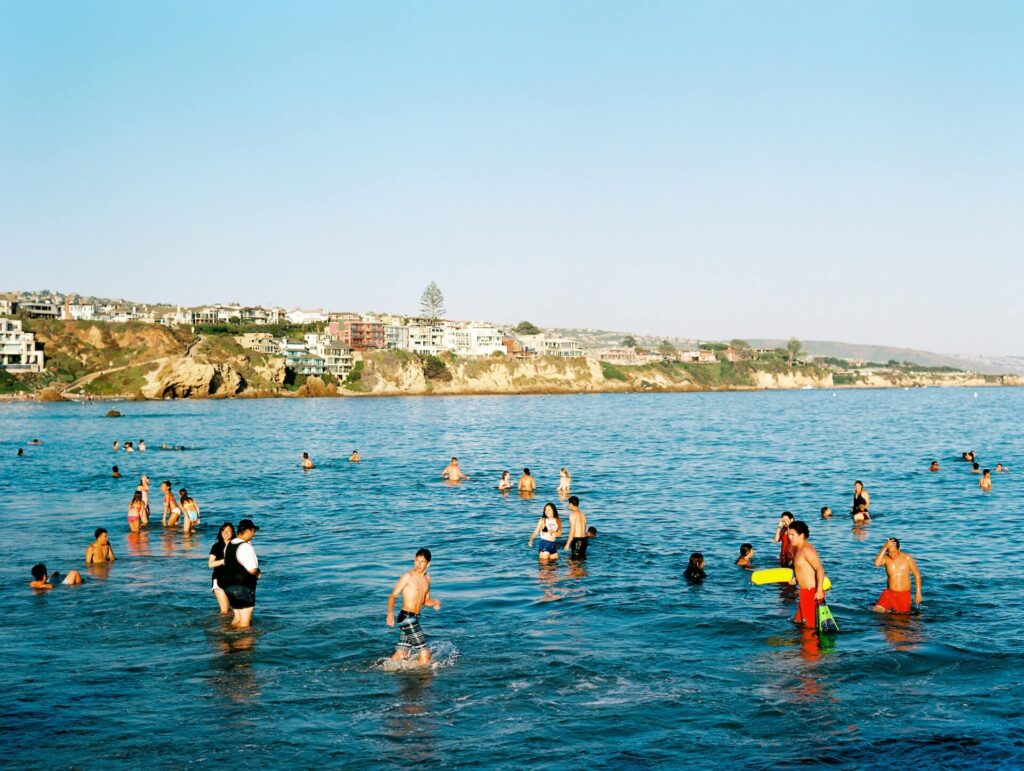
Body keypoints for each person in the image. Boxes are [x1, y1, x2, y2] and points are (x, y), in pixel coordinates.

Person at [386, 548, 441, 666]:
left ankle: (383, 670)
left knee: (402, 653)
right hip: (406, 617)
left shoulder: (427, 578)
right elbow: (393, 596)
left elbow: (425, 601)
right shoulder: (408, 576)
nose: (418, 564)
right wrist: (390, 614)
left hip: (415, 617)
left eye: (422, 561)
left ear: (428, 564)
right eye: (416, 560)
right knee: (424, 654)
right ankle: (423, 681)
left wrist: (435, 602)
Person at [220, 519, 261, 628]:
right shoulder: (245, 547)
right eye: (253, 531)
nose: (253, 534)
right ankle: (243, 644)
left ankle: (227, 640)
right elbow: (252, 569)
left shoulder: (229, 545)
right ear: (248, 531)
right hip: (242, 587)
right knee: (245, 623)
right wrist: (258, 572)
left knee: (237, 617)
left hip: (228, 586)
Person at [787, 520, 825, 627]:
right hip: (804, 592)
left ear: (801, 535)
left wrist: (819, 591)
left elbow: (820, 569)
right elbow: (804, 569)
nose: (789, 537)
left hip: (811, 593)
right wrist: (796, 579)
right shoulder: (798, 549)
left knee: (809, 627)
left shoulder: (806, 550)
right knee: (799, 623)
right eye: (789, 534)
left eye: (792, 535)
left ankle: (811, 643)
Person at [872, 538, 922, 613]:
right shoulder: (886, 558)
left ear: (899, 549)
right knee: (876, 611)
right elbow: (877, 563)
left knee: (901, 620)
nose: (892, 554)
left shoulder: (907, 558)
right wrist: (884, 547)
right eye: (890, 552)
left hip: (903, 595)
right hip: (889, 593)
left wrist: (918, 593)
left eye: (894, 551)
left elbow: (917, 575)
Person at [208, 522, 236, 614]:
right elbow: (210, 564)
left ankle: (233, 627)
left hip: (234, 580)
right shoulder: (216, 546)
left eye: (229, 531)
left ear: (233, 533)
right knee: (224, 610)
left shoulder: (236, 545)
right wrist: (223, 561)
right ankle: (223, 627)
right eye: (224, 530)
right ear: (220, 532)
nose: (226, 533)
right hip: (218, 579)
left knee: (235, 609)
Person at [563, 496, 588, 560]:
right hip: (584, 540)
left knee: (574, 562)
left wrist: (568, 544)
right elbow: (585, 529)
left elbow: (572, 530)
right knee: (582, 560)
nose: (568, 506)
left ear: (571, 504)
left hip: (577, 540)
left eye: (569, 504)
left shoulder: (572, 515)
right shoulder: (583, 514)